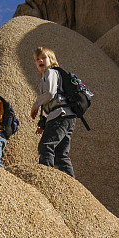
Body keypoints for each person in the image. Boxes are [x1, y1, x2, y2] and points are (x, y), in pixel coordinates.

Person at [30, 46, 76, 177]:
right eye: (37, 59)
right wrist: (44, 124)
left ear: (52, 59)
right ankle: (72, 185)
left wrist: (35, 105)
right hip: (68, 117)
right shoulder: (55, 74)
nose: (40, 61)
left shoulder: (50, 73)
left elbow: (50, 93)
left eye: (43, 57)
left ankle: (45, 177)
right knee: (61, 154)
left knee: (46, 146)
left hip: (59, 115)